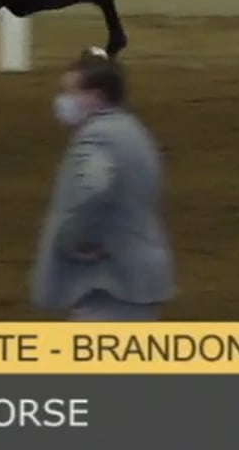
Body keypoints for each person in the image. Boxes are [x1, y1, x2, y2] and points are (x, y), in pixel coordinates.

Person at [30, 48, 175, 321]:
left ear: (95, 97)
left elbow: (92, 188)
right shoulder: (132, 130)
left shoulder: (97, 139)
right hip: (137, 278)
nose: (64, 101)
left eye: (72, 93)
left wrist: (71, 240)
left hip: (112, 280)